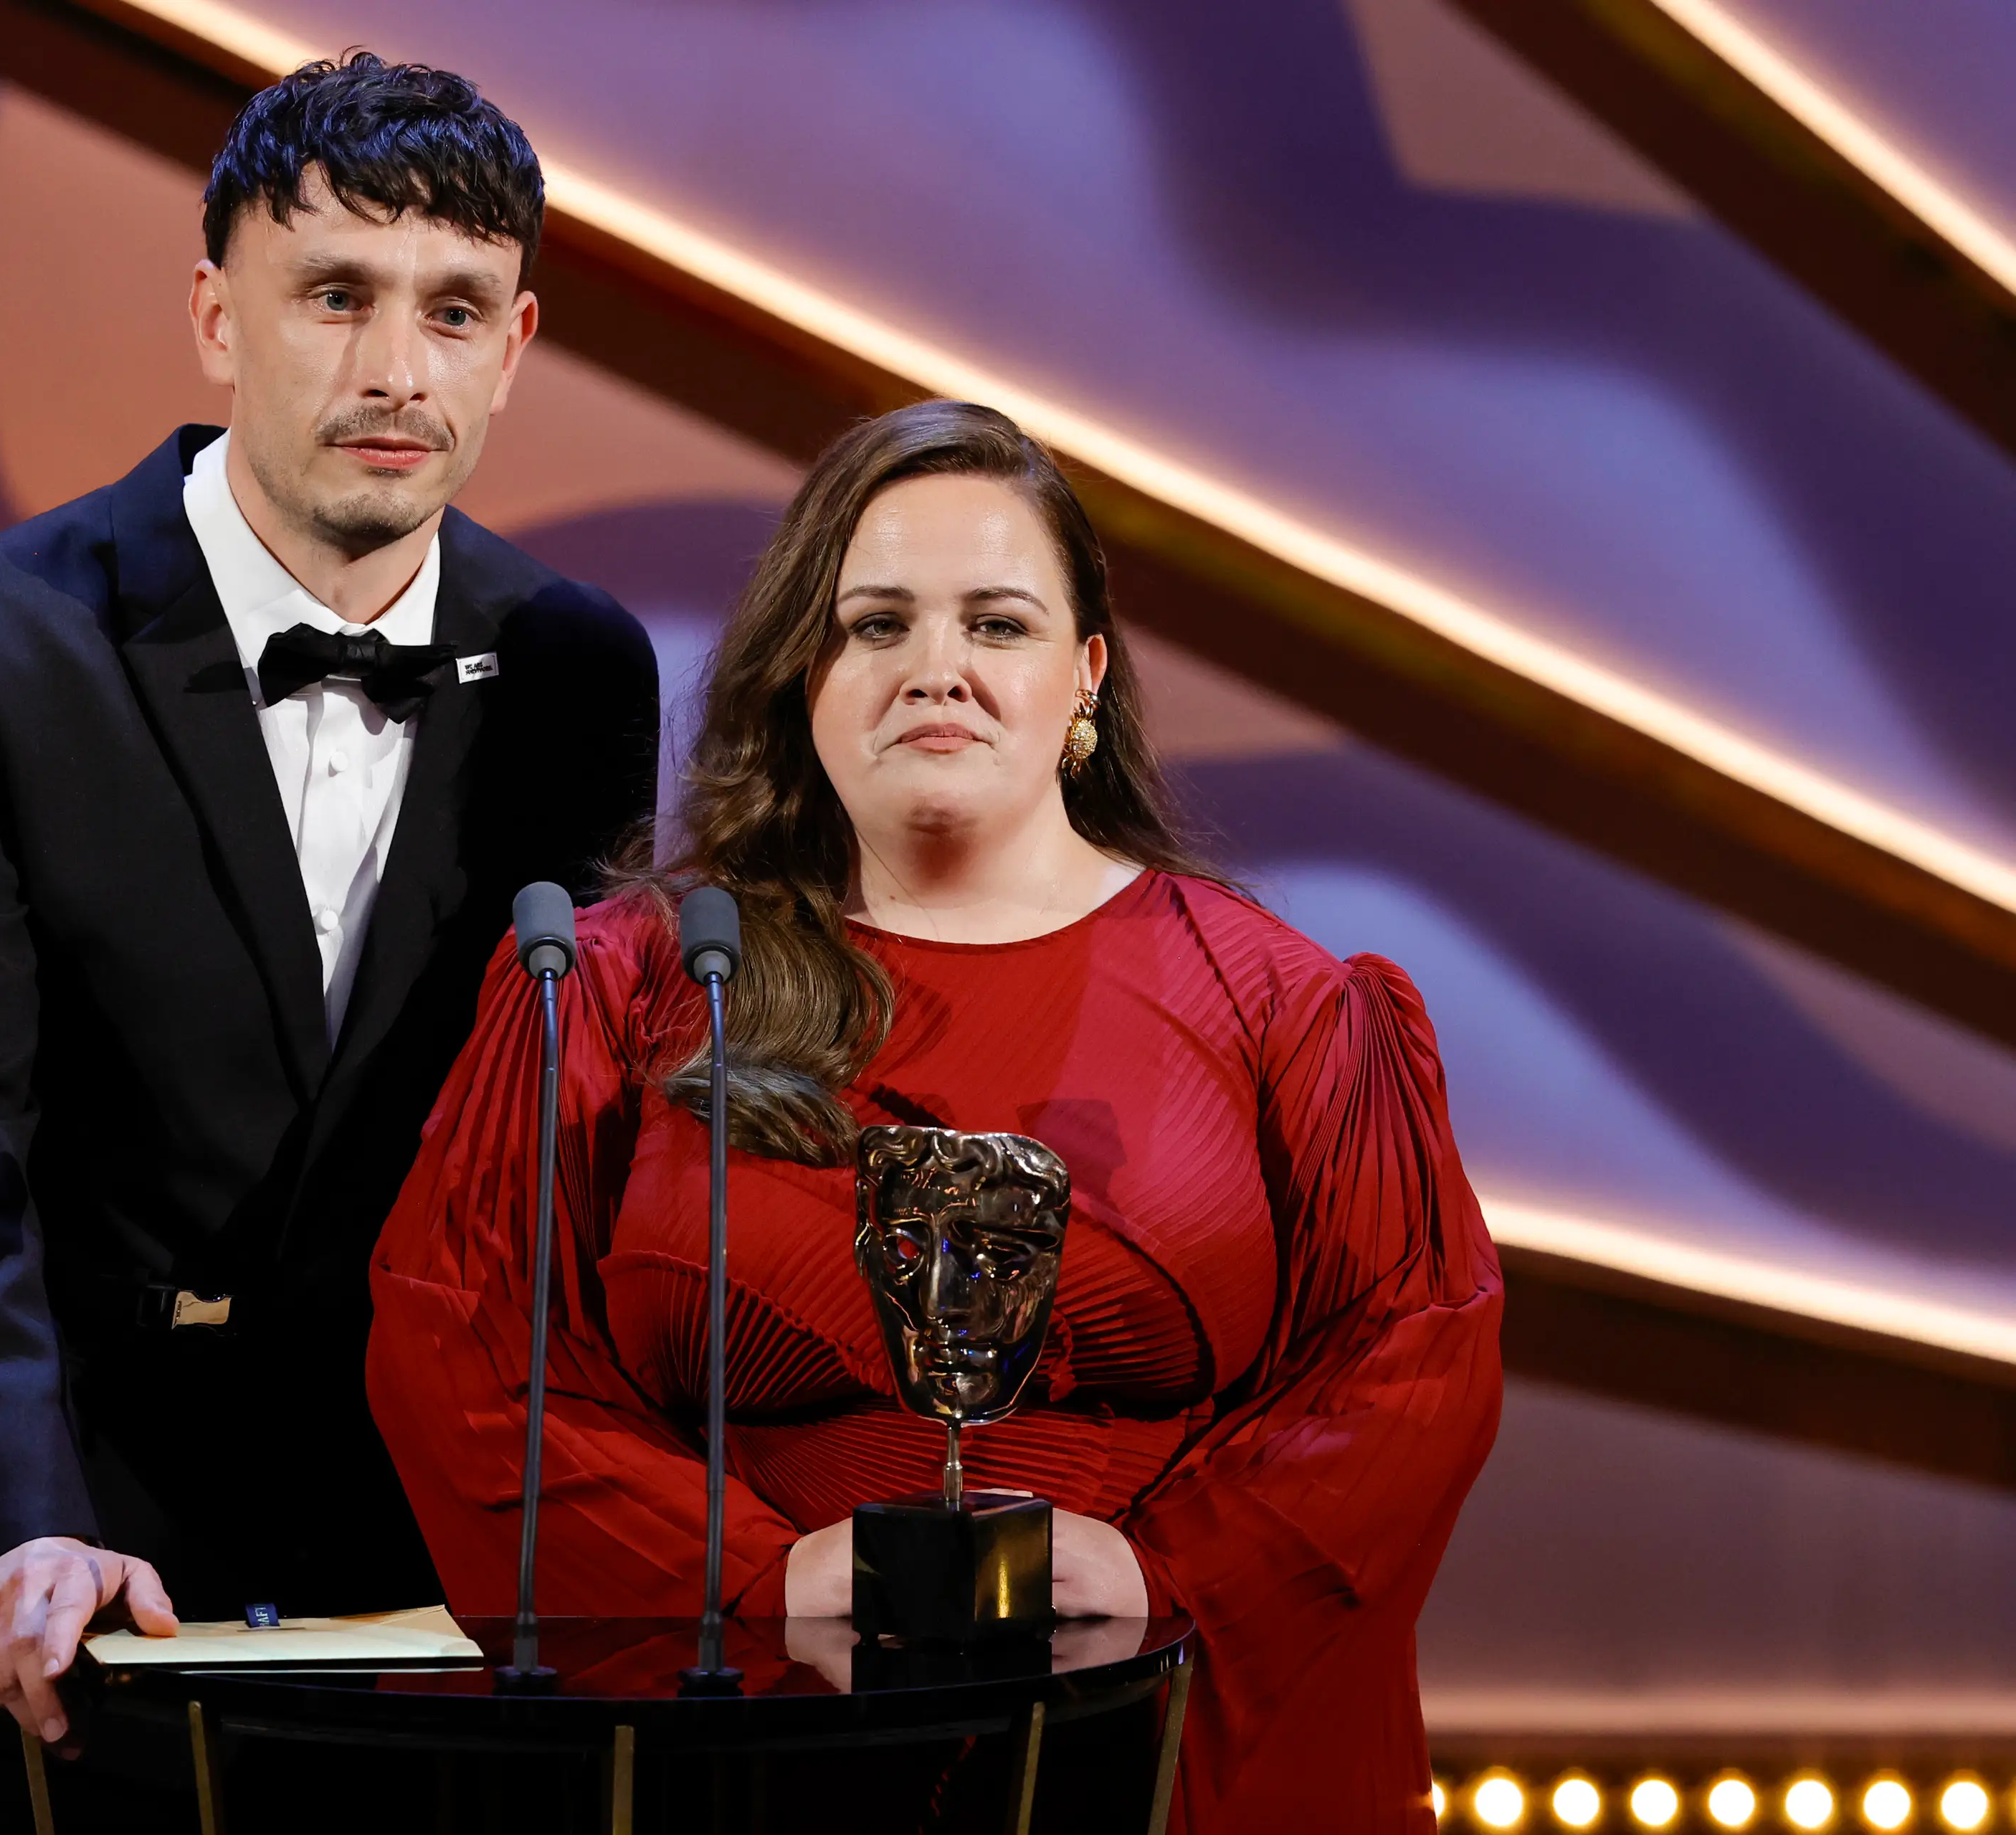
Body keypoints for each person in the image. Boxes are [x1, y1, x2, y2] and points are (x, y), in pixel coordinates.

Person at [369, 400, 1501, 1832]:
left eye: (1000, 626)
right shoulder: (616, 989)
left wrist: (1167, 1576)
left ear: (1086, 679)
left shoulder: (1283, 1006)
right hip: (748, 1749)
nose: (938, 671)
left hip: (1164, 1743)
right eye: (879, 624)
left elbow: (1410, 1366)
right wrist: (751, 1579)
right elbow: (462, 1348)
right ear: (803, 675)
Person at [0, 54, 659, 1830]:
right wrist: (22, 1522)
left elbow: (540, 1159)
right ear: (215, 316)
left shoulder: (581, 664)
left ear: (518, 341)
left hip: (379, 1590)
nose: (398, 370)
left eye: (455, 312)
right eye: (337, 296)